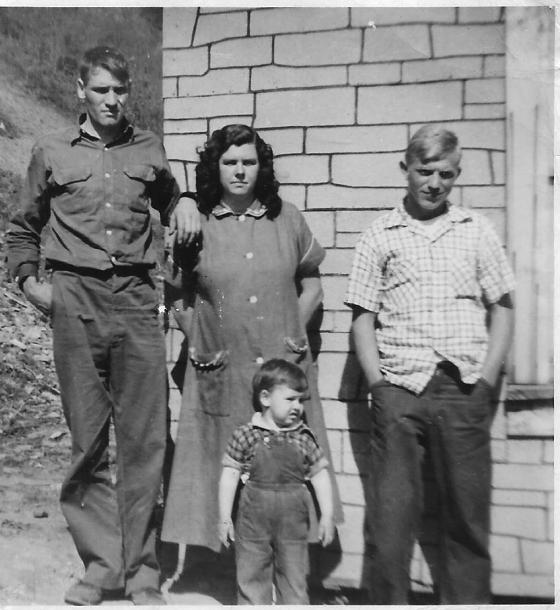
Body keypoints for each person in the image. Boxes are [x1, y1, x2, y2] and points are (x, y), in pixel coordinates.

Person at [5, 45, 199, 606]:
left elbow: (172, 199)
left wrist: (183, 201)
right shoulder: (51, 150)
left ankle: (140, 571)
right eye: (101, 90)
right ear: (81, 90)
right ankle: (100, 565)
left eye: (120, 91)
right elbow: (22, 227)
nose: (112, 100)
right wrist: (31, 285)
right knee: (87, 439)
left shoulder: (148, 150)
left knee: (144, 441)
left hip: (138, 300)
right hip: (76, 299)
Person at [161, 124, 343, 574]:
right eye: (229, 163)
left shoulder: (289, 219)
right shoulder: (196, 223)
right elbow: (177, 293)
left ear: (261, 166)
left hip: (282, 364)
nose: (240, 171)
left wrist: (291, 328)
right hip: (225, 366)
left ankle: (288, 572)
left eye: (248, 161)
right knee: (225, 460)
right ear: (215, 168)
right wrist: (197, 332)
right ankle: (230, 574)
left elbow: (313, 284)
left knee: (286, 459)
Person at [344, 125, 515, 604]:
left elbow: (503, 306)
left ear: (456, 175)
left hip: (463, 391)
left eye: (446, 174)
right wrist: (379, 387)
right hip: (400, 390)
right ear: (406, 170)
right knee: (392, 521)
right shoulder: (381, 234)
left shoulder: (475, 230)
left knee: (467, 517)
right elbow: (363, 319)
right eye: (424, 172)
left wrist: (486, 382)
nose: (434, 183)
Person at [219, 359, 335, 604]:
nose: (298, 407)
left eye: (301, 400)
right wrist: (224, 516)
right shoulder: (246, 434)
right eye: (290, 399)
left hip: (293, 522)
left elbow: (320, 476)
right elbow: (229, 476)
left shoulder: (303, 437)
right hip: (253, 522)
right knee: (251, 573)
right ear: (265, 398)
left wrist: (327, 515)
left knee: (294, 575)